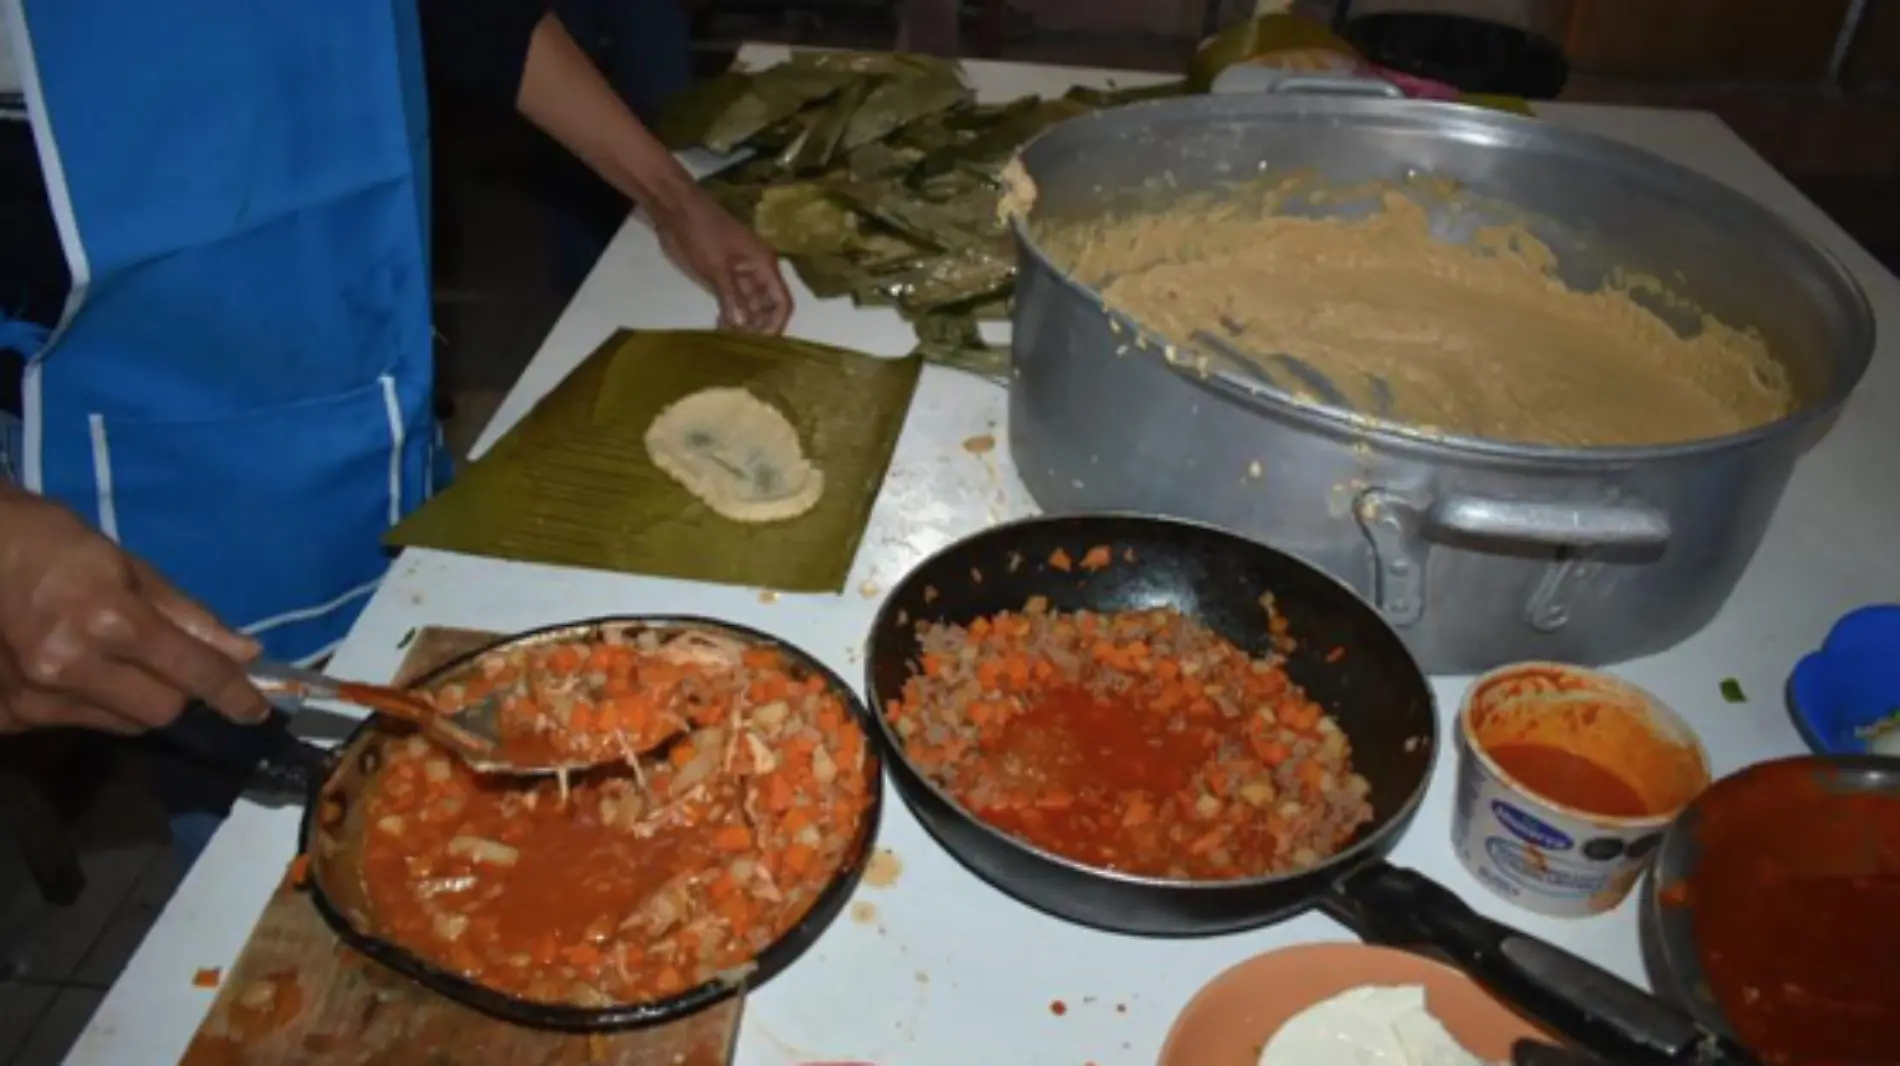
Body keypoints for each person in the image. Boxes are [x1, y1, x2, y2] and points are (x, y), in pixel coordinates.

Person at [0, 0, 792, 854]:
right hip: (140, 449)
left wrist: (671, 196)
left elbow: (469, 15)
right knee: (256, 828)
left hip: (365, 384)